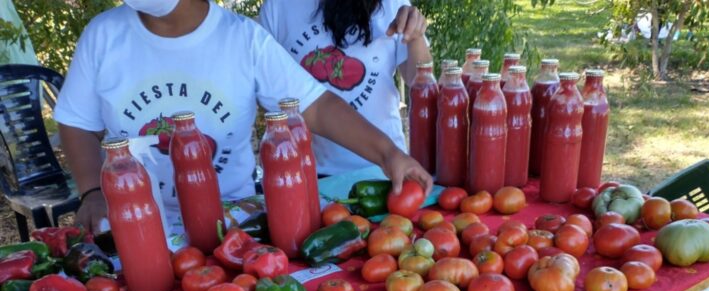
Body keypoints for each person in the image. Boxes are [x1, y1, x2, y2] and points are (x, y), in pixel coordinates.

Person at [54, 0, 432, 233]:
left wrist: (389, 154)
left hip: (233, 223)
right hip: (135, 221)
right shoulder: (102, 36)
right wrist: (91, 191)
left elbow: (316, 106)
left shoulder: (243, 39)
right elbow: (76, 120)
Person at [259, 0, 431, 176]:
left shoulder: (390, 3)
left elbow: (418, 81)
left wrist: (415, 37)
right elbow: (275, 100)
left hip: (388, 170)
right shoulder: (277, 8)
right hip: (314, 176)